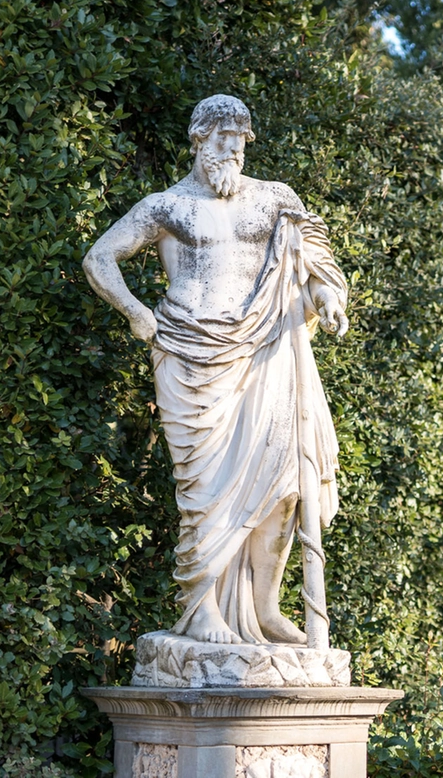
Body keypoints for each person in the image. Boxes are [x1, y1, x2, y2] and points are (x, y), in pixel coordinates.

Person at [83, 95, 349, 648]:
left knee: (280, 485)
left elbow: (314, 262)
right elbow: (99, 258)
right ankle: (201, 608)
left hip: (266, 349)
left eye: (241, 138)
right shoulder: (167, 206)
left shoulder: (277, 200)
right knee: (201, 487)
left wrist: (326, 298)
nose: (233, 149)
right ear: (198, 138)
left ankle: (266, 608)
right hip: (189, 352)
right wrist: (136, 311)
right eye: (222, 137)